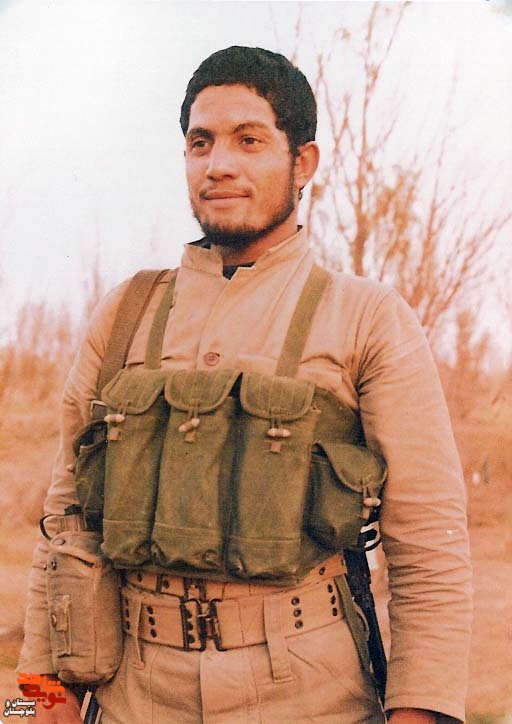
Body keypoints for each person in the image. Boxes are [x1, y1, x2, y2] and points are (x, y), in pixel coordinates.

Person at [18, 46, 472, 724]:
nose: (218, 164)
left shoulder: (367, 317)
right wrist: (36, 698)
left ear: (303, 163)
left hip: (311, 700)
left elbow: (430, 544)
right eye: (200, 143)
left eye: (249, 140)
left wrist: (421, 711)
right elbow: (64, 522)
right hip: (133, 698)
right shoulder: (124, 313)